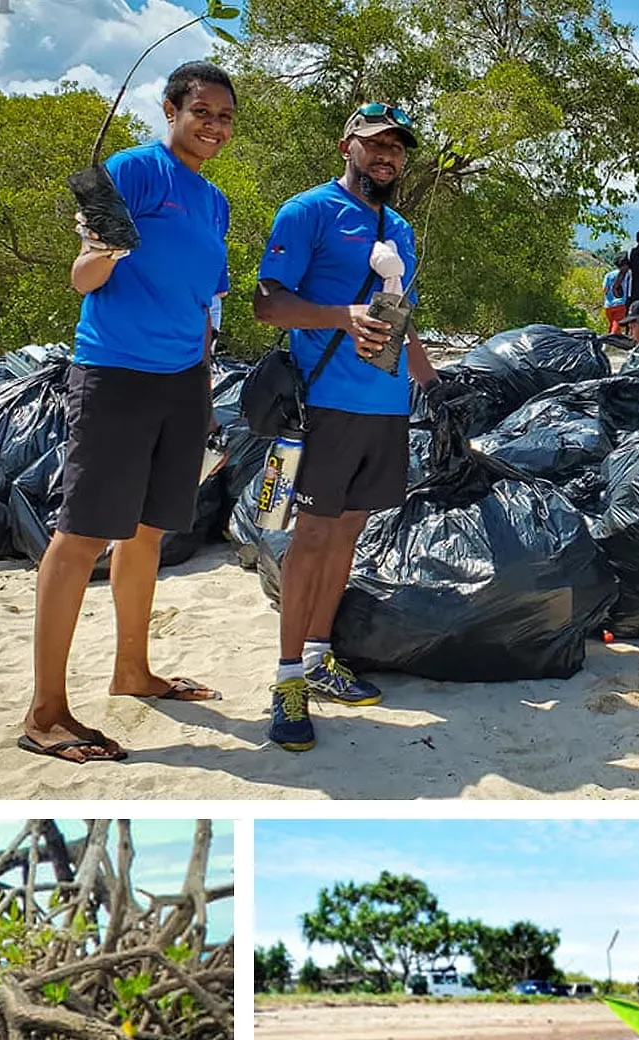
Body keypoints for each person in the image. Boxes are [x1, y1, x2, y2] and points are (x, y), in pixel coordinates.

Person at [18, 59, 236, 766]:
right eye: (202, 111)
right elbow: (85, 276)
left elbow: (208, 307)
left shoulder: (213, 201)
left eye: (225, 117)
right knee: (81, 536)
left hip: (182, 380)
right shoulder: (134, 170)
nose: (214, 126)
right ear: (170, 109)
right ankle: (45, 711)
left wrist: (202, 391)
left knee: (147, 533)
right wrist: (105, 244)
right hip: (114, 372)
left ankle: (133, 671)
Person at [254, 101, 437, 753]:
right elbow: (266, 302)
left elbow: (400, 317)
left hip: (383, 409)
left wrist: (434, 385)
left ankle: (319, 654)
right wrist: (341, 317)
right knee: (310, 537)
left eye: (397, 146)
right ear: (346, 146)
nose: (387, 154)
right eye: (375, 142)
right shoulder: (308, 212)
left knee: (348, 537)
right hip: (322, 405)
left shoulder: (402, 229)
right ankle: (287, 682)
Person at [602, 253, 632, 334]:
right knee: (616, 325)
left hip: (608, 305)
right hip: (620, 304)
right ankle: (612, 341)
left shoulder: (608, 275)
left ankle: (608, 341)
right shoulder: (627, 274)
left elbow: (604, 289)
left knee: (612, 324)